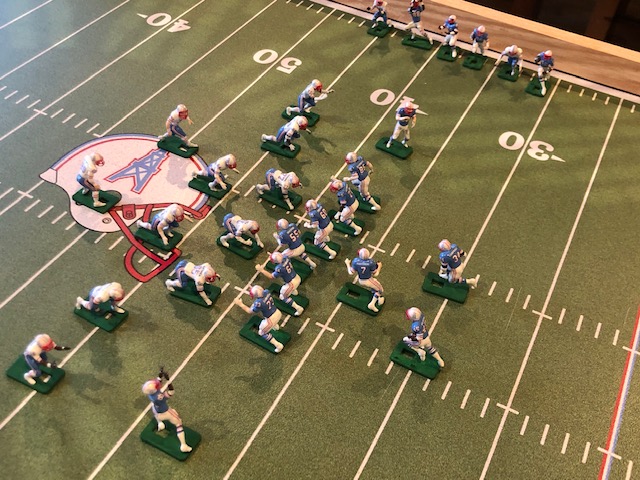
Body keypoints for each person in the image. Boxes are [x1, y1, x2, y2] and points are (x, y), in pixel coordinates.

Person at [142, 368, 192, 453]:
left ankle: (160, 423)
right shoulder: (158, 396)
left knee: (154, 407)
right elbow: (171, 392)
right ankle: (183, 445)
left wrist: (160, 374)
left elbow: (157, 382)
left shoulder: (151, 394)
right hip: (165, 412)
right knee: (178, 422)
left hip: (157, 412)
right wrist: (168, 380)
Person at [234, 285, 285, 352]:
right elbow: (260, 292)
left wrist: (240, 304)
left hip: (271, 319)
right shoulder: (267, 291)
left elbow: (249, 311)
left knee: (262, 332)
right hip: (277, 312)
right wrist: (254, 289)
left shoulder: (259, 303)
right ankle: (275, 326)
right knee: (267, 314)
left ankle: (278, 345)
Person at [346, 248, 384, 312]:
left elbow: (351, 272)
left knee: (375, 285)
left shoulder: (355, 261)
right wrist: (379, 266)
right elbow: (376, 274)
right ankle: (372, 304)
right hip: (368, 280)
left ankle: (378, 298)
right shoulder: (371, 262)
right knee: (380, 290)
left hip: (361, 280)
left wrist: (347, 263)